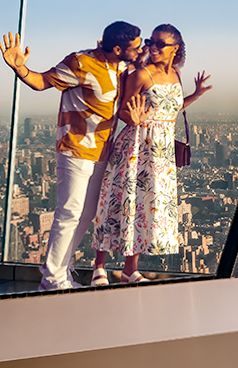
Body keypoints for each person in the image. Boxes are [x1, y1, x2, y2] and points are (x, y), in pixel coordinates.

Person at [0, 22, 144, 290]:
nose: (141, 48)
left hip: (102, 151)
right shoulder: (81, 63)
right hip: (76, 150)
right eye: (136, 46)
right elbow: (42, 82)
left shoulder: (122, 67)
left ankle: (60, 271)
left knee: (87, 214)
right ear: (117, 48)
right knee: (69, 213)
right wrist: (20, 68)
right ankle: (52, 279)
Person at [91, 24, 212, 283]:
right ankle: (98, 265)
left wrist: (195, 95)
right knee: (118, 200)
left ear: (175, 49)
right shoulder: (141, 75)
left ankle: (129, 270)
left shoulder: (177, 75)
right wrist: (132, 118)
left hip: (161, 152)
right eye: (151, 42)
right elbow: (123, 109)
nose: (153, 47)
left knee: (146, 207)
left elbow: (172, 109)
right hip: (136, 144)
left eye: (160, 44)